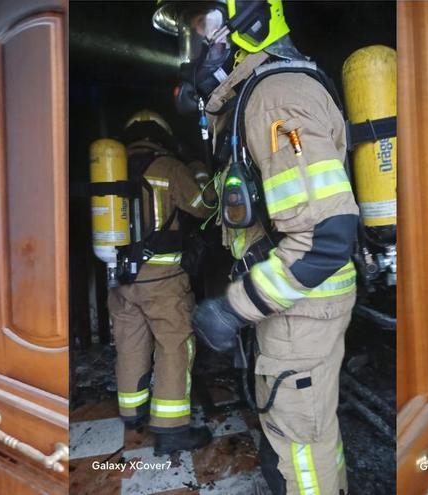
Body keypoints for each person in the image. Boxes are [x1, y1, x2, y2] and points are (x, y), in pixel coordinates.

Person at [153, 2, 357, 493]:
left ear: (246, 22)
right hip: (293, 305)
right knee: (301, 435)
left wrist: (232, 309)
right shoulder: (257, 97)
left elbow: (324, 238)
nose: (196, 44)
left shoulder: (278, 98)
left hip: (302, 307)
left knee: (302, 450)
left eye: (201, 26)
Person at [110, 110, 216, 455]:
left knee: (130, 342)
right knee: (173, 344)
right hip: (164, 278)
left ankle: (132, 412)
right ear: (161, 135)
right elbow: (205, 208)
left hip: (120, 277)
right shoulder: (168, 167)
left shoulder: (111, 168)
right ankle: (170, 430)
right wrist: (199, 171)